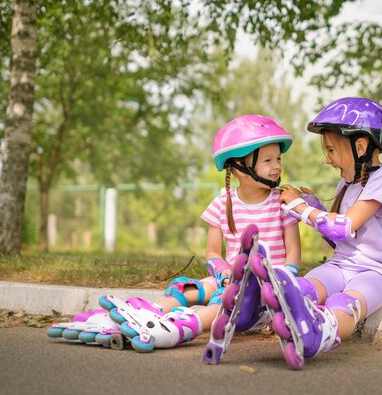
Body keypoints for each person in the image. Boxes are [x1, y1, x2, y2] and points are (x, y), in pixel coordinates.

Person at [49, 114, 301, 352]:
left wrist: (281, 285)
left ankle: (180, 326)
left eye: (278, 159)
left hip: (265, 291)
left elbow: (293, 256)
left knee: (226, 297)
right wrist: (224, 272)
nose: (276, 166)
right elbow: (212, 253)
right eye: (267, 161)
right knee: (191, 288)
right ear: (238, 167)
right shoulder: (223, 202)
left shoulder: (282, 202)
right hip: (231, 279)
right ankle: (146, 314)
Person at [228, 97, 382, 369]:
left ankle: (321, 332)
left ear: (360, 146)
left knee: (344, 302)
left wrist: (302, 209)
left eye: (332, 150)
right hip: (340, 265)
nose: (327, 159)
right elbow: (339, 239)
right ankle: (263, 308)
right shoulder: (345, 185)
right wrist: (313, 207)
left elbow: (345, 225)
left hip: (378, 272)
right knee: (305, 287)